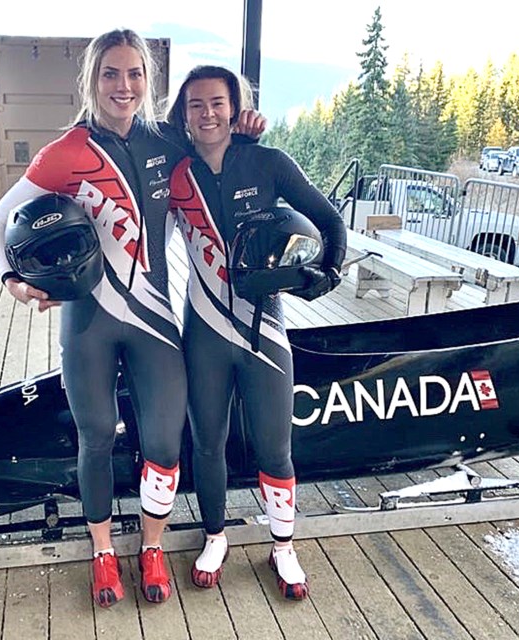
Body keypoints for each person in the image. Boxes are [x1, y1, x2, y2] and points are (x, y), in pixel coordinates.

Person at [0, 30, 264, 608]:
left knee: (163, 442)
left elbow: (216, 143)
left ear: (148, 81)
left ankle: (152, 548)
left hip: (157, 321)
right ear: (93, 79)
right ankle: (103, 552)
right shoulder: (65, 150)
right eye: (112, 73)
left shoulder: (168, 139)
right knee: (94, 438)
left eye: (135, 74)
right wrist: (13, 281)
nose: (124, 85)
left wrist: (247, 126)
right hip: (87, 320)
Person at [167, 65, 347, 600]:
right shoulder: (174, 174)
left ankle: (284, 547)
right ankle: (215, 536)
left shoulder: (268, 161)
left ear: (235, 106)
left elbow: (328, 220)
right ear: (183, 113)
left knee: (275, 446)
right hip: (203, 330)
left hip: (266, 331)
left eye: (218, 103)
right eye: (196, 105)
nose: (207, 114)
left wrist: (326, 274)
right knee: (208, 443)